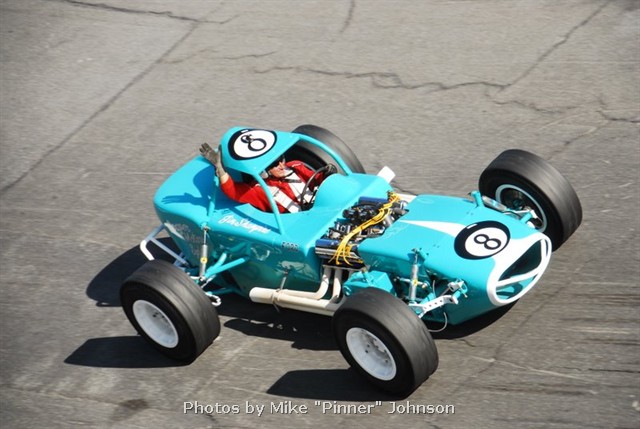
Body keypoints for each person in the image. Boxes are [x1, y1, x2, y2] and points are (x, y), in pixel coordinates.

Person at [199, 143, 336, 213]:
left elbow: (317, 178)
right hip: (297, 227)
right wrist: (220, 169)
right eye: (275, 164)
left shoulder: (295, 165)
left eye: (281, 160)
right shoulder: (259, 190)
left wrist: (327, 174)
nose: (281, 165)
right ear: (264, 169)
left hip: (322, 208)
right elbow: (233, 191)